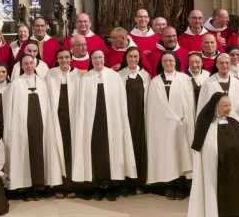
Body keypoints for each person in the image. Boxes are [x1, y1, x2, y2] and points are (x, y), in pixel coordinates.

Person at [189, 93, 239, 217]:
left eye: (230, 105)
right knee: (219, 197)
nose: (228, 109)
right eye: (225, 106)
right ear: (216, 107)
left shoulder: (235, 121)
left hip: (238, 170)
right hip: (217, 172)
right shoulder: (207, 125)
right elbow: (202, 149)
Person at [71, 49, 136, 200]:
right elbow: (82, 103)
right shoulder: (86, 77)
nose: (98, 60)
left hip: (111, 122)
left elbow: (120, 101)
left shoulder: (114, 76)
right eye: (95, 58)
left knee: (111, 152)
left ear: (104, 59)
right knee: (95, 152)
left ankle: (112, 186)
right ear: (91, 60)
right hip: (93, 123)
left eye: (100, 57)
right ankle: (97, 186)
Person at [5, 53, 61, 197]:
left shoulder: (43, 82)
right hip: (22, 127)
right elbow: (12, 108)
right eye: (26, 64)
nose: (29, 66)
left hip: (42, 125)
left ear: (35, 64)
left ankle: (41, 185)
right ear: (21, 66)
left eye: (31, 63)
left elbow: (49, 106)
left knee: (40, 151)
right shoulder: (16, 84)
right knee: (24, 153)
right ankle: (26, 187)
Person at [146, 52, 195, 199]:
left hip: (182, 124)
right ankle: (170, 185)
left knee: (181, 154)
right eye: (165, 61)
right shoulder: (155, 81)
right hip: (163, 126)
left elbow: (189, 102)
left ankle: (181, 186)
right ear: (161, 63)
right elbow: (154, 106)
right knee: (167, 155)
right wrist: (169, 118)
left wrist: (182, 119)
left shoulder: (185, 79)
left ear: (176, 62)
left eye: (170, 60)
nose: (168, 63)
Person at [119, 46, 150, 191]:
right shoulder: (119, 75)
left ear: (139, 58)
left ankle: (140, 182)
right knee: (125, 147)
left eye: (136, 57)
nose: (133, 59)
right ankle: (126, 183)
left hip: (140, 118)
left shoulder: (145, 76)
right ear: (125, 58)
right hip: (125, 118)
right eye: (130, 56)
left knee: (139, 146)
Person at [47, 48, 79, 189]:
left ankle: (71, 184)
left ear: (71, 58)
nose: (64, 60)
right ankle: (59, 184)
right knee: (57, 151)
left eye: (67, 57)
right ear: (57, 59)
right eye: (61, 58)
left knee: (71, 150)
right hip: (56, 119)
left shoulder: (78, 74)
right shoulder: (50, 74)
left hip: (73, 119)